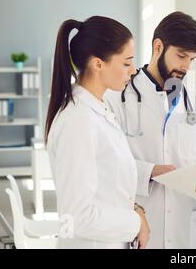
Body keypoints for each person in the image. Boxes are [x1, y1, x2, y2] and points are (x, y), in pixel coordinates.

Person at [104, 12, 196, 249]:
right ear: (158, 46)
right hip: (138, 223)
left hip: (183, 231)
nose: (186, 66)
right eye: (181, 56)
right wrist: (149, 171)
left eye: (192, 59)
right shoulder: (116, 98)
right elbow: (106, 162)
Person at [46, 16, 150, 249]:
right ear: (98, 63)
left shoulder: (97, 109)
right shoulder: (78, 121)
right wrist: (136, 223)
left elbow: (105, 186)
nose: (133, 70)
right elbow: (77, 217)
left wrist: (135, 209)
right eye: (126, 63)